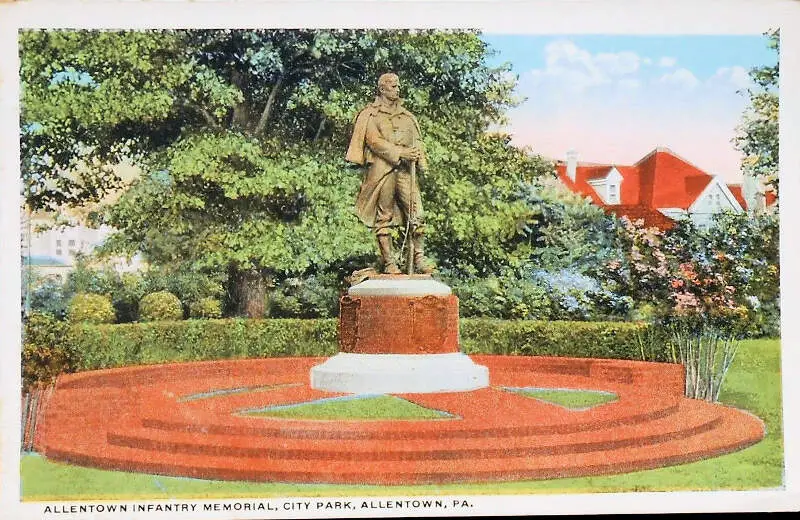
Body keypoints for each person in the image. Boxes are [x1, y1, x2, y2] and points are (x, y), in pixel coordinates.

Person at [345, 72, 433, 274]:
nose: (397, 89)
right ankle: (389, 262)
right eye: (393, 86)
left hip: (405, 172)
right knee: (384, 216)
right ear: (382, 89)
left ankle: (419, 259)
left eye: (398, 85)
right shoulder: (371, 114)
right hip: (383, 170)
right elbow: (374, 141)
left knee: (417, 213)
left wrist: (420, 160)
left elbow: (417, 140)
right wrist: (401, 152)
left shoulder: (407, 116)